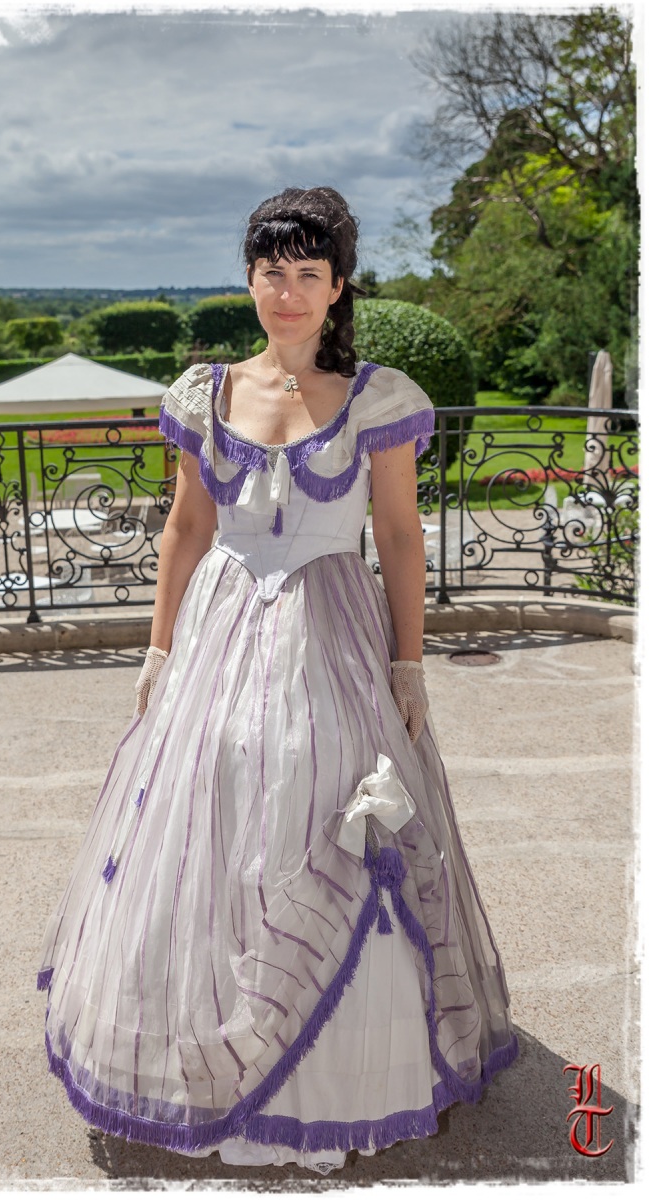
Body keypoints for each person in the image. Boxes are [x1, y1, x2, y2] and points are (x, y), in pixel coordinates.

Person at [37, 186, 519, 1174]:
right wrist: (159, 650)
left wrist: (408, 663)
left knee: (320, 786)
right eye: (271, 272)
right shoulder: (204, 392)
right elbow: (186, 529)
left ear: (338, 287)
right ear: (249, 280)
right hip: (220, 624)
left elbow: (397, 536)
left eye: (308, 273)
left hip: (331, 627)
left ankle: (344, 1070)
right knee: (207, 804)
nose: (287, 292)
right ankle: (201, 1031)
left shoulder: (378, 398)